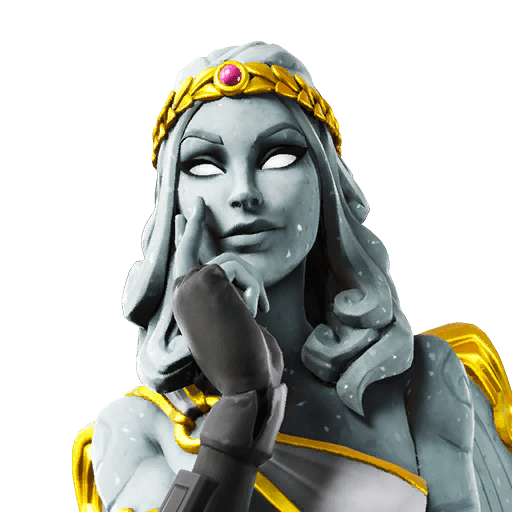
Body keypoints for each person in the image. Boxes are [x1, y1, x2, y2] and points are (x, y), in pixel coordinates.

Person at [80, 42, 511, 512]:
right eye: (203, 165)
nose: (243, 192)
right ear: (172, 205)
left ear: (326, 184)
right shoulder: (135, 425)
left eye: (279, 156)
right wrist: (243, 407)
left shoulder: (418, 377)